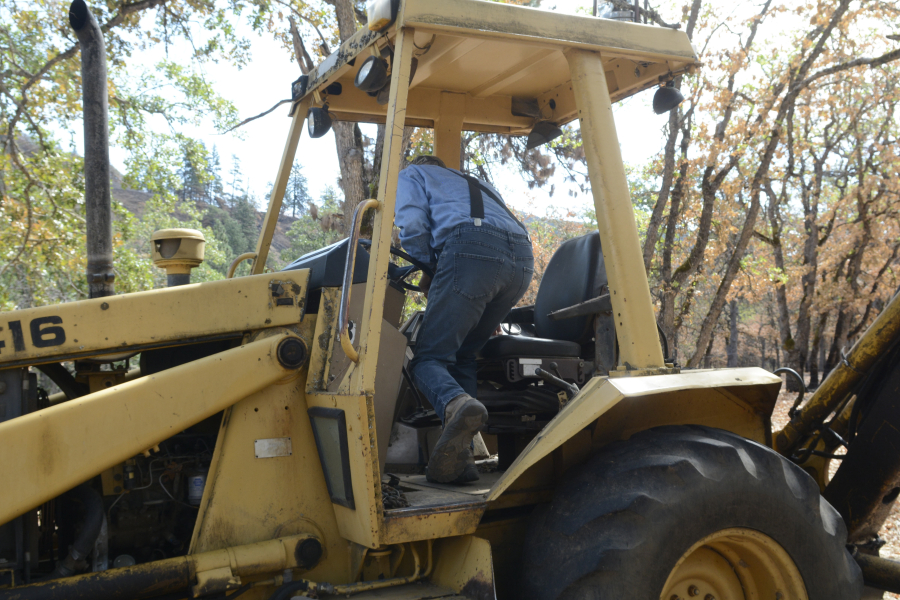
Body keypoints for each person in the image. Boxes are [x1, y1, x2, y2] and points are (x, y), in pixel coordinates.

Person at [395, 155, 534, 483]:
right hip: (522, 261)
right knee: (462, 357)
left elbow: (413, 226)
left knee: (427, 358)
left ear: (421, 164)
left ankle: (455, 404)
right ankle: (462, 459)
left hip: (473, 251)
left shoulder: (413, 173)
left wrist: (428, 271)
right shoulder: (476, 183)